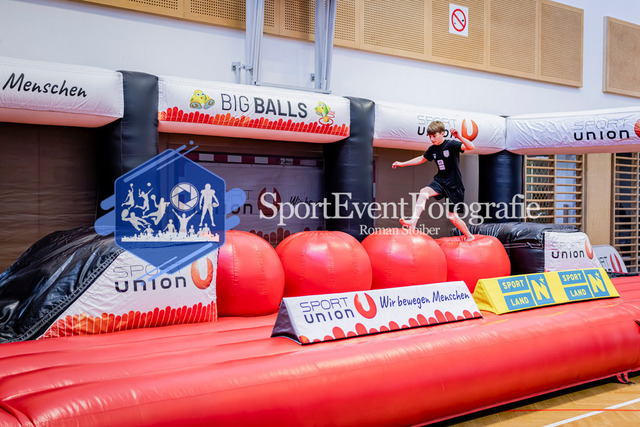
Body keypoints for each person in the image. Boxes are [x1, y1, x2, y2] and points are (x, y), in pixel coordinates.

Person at [392, 120, 475, 241]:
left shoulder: (451, 145)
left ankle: (469, 236)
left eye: (434, 136)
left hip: (454, 186)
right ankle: (413, 222)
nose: (431, 139)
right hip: (440, 181)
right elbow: (421, 159)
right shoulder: (433, 149)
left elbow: (471, 147)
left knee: (453, 218)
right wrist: (402, 164)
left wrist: (459, 136)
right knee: (424, 192)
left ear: (442, 133)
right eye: (430, 136)